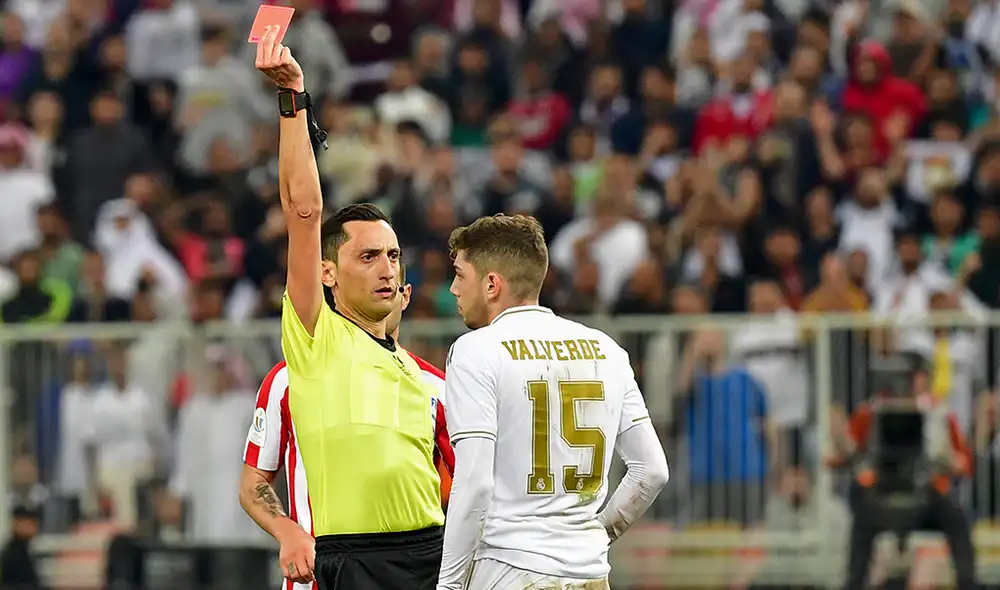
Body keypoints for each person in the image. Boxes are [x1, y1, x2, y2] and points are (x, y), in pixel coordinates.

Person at [244, 26, 446, 590]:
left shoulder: (431, 381)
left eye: (394, 256)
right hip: (350, 562)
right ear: (328, 273)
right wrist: (292, 102)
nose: (386, 267)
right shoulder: (315, 342)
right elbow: (304, 211)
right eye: (368, 256)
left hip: (433, 555)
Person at [438, 214, 670, 589]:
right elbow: (652, 471)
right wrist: (593, 536)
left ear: (492, 284)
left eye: (461, 275)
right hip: (591, 573)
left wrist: (448, 585)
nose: (453, 288)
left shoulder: (475, 350)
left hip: (510, 569)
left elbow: (476, 483)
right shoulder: (606, 349)